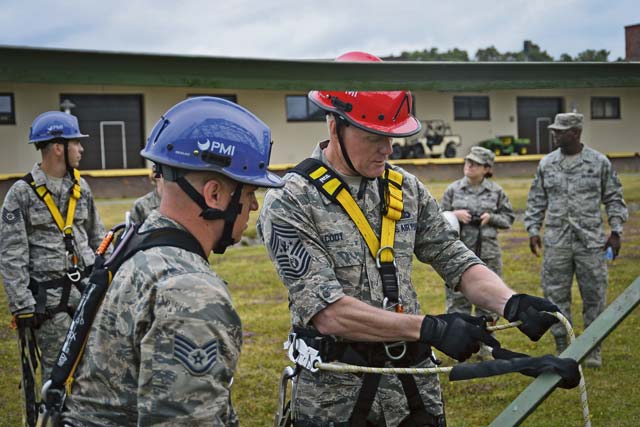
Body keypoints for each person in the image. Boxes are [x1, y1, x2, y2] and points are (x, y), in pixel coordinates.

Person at [258, 51, 560, 427]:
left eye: (392, 137)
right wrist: (429, 328)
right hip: (335, 397)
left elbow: (454, 256)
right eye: (374, 137)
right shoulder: (290, 200)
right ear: (334, 126)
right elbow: (329, 312)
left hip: (412, 391)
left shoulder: (404, 188)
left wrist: (509, 302)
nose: (387, 149)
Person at [60, 97, 284, 426]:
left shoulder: (136, 246)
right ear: (215, 195)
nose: (252, 206)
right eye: (249, 193)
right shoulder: (189, 293)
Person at [0, 111, 106, 425]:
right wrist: (22, 306)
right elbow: (11, 254)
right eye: (76, 142)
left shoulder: (81, 187)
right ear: (57, 147)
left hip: (86, 294)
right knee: (56, 380)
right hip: (48, 304)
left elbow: (98, 236)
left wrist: (107, 275)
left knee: (95, 370)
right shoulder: (21, 194)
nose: (81, 149)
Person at [524, 112, 628, 368]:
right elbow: (537, 198)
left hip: (590, 243)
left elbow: (613, 197)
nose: (554, 134)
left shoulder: (598, 162)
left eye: (560, 131)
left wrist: (615, 231)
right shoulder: (547, 164)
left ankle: (593, 349)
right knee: (555, 297)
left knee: (594, 296)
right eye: (554, 130)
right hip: (557, 242)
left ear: (576, 133)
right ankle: (565, 348)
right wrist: (533, 229)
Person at [441, 146, 515, 359]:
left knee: (489, 301)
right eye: (467, 161)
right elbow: (437, 218)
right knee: (457, 301)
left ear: (486, 169)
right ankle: (460, 347)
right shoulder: (453, 190)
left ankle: (486, 345)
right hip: (457, 253)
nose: (469, 165)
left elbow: (508, 219)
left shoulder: (496, 192)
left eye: (475, 163)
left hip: (488, 255)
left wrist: (490, 218)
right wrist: (454, 214)